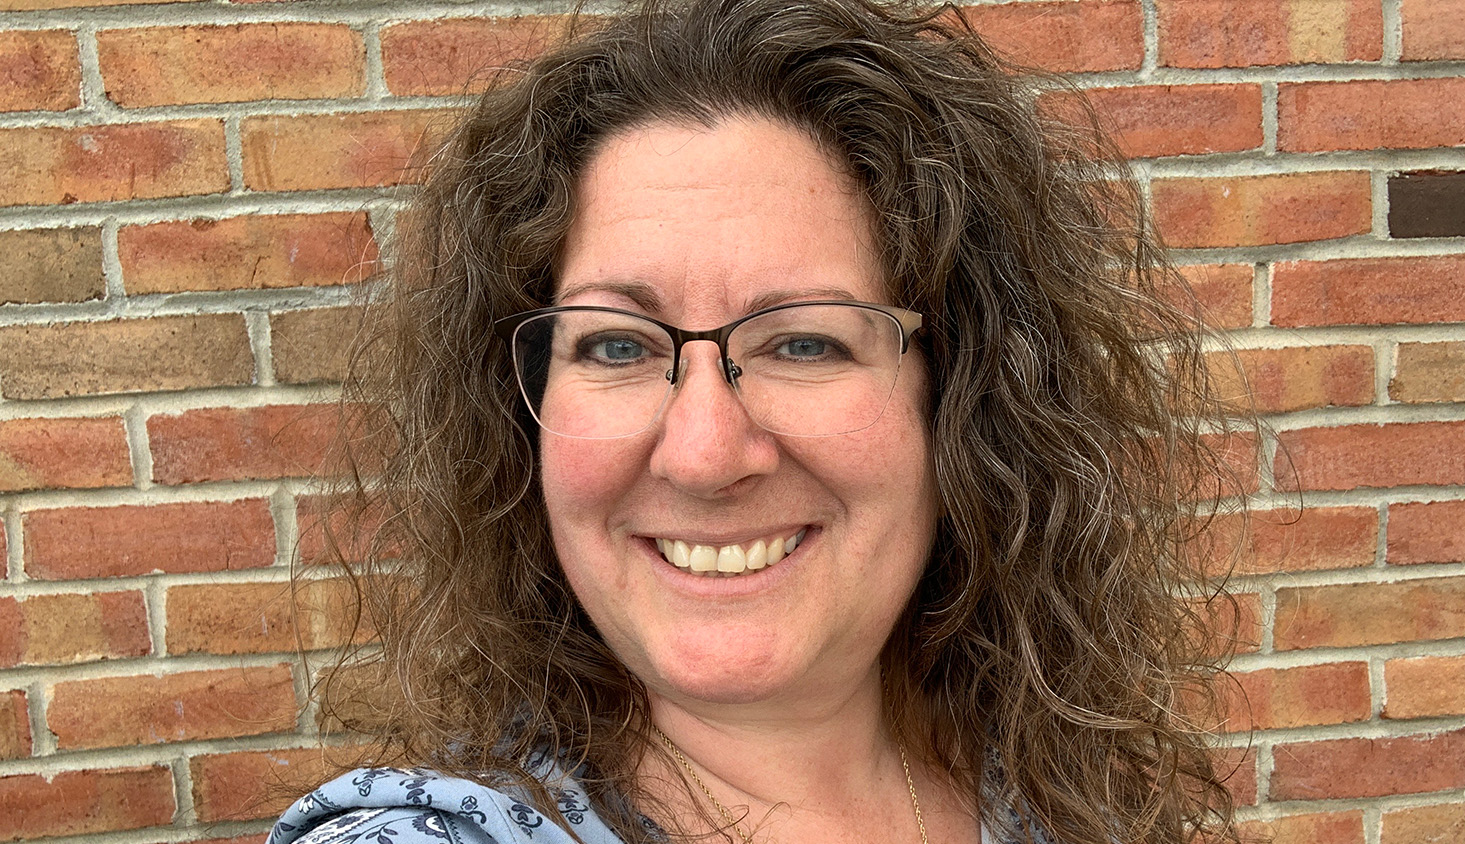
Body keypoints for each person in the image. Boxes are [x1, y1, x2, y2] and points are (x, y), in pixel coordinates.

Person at [271, 1, 1248, 843]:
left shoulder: (1059, 802)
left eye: (805, 343)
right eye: (617, 346)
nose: (703, 454)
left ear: (958, 398)